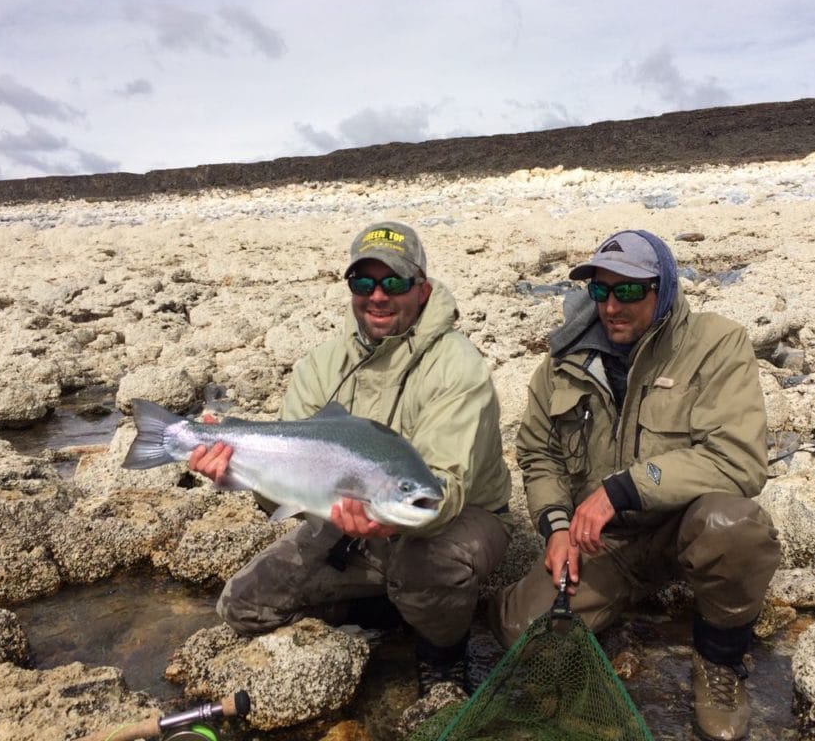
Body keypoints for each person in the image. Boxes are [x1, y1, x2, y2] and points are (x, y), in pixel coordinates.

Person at [189, 220, 512, 696]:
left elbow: (444, 489)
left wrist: (390, 521)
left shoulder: (457, 365)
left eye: (394, 283)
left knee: (424, 567)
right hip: (347, 521)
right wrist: (234, 470)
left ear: (421, 290)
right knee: (243, 606)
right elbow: (288, 484)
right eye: (364, 282)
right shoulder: (321, 366)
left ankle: (441, 654)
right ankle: (387, 609)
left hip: (458, 517)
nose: (378, 296)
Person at [489, 229, 780, 741]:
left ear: (663, 289)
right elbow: (539, 455)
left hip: (684, 525)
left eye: (629, 291)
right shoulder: (562, 363)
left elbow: (739, 459)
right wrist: (557, 529)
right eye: (601, 291)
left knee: (736, 525)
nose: (611, 307)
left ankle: (721, 660)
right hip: (604, 543)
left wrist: (625, 488)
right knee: (522, 633)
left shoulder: (716, 344)